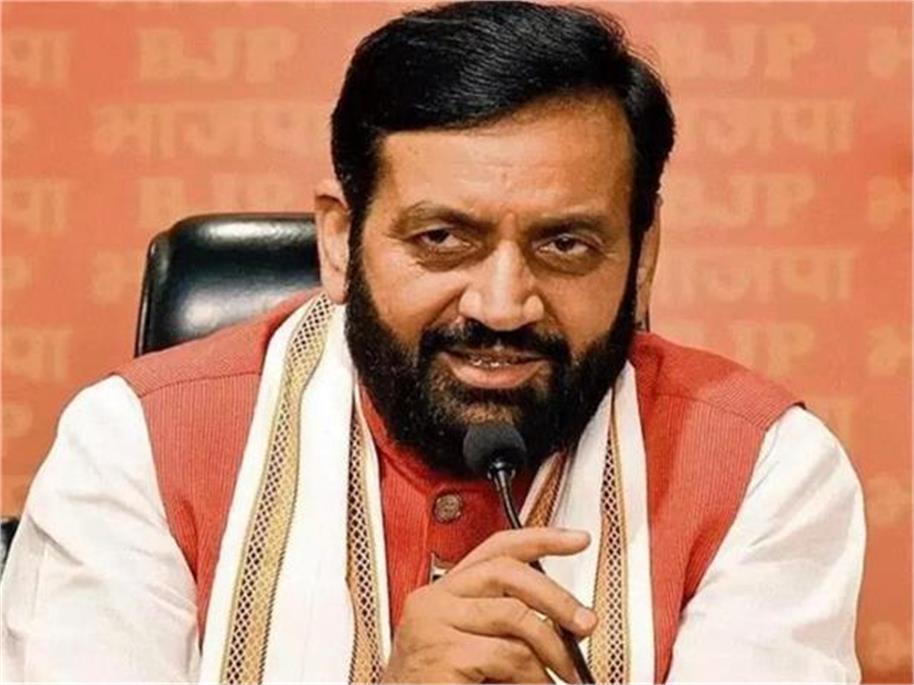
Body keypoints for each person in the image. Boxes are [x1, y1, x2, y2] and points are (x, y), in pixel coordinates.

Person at [0, 2, 865, 683]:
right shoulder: (137, 447)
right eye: (443, 239)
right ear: (340, 240)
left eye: (566, 244)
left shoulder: (762, 467)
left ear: (642, 256)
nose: (502, 305)